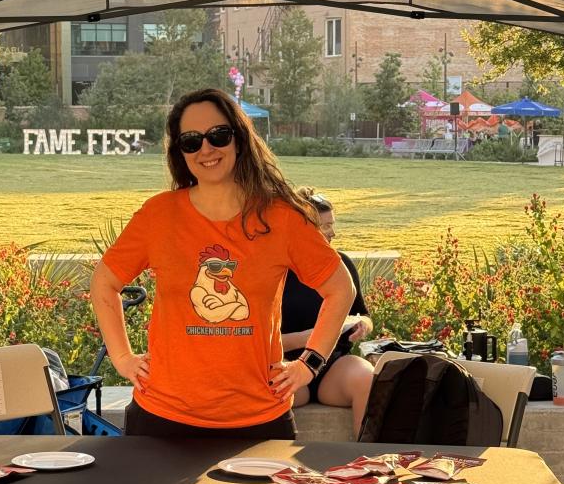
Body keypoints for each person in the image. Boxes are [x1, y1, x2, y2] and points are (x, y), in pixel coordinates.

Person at [90, 88, 354, 439]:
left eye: (218, 135)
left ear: (239, 139)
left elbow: (341, 289)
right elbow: (104, 282)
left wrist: (310, 363)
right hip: (163, 416)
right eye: (191, 141)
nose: (206, 149)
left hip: (259, 418)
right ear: (180, 152)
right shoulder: (159, 215)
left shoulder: (281, 218)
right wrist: (123, 358)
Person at [281, 190, 375, 438]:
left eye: (332, 224)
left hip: (334, 366)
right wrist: (310, 338)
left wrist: (362, 325)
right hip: (288, 363)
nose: (332, 233)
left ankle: (368, 456)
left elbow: (363, 314)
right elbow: (259, 339)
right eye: (325, 226)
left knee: (367, 377)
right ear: (303, 229)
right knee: (270, 384)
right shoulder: (278, 271)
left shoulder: (341, 264)